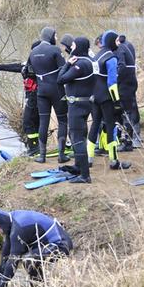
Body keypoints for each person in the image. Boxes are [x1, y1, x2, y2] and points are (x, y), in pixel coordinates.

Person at [0, 208, 73, 287]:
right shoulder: (10, 219)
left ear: (2, 224)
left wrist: (1, 285)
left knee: (29, 261)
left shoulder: (18, 228)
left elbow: (14, 259)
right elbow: (7, 249)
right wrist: (0, 271)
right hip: (50, 242)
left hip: (61, 245)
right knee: (30, 257)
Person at [87, 30, 131, 170]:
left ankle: (89, 159)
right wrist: (117, 102)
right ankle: (114, 161)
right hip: (106, 98)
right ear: (111, 40)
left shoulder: (97, 56)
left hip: (94, 96)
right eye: (117, 40)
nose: (118, 43)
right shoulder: (111, 57)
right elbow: (112, 83)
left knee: (95, 125)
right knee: (110, 126)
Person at [0, 39, 41, 156]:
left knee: (28, 122)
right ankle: (35, 146)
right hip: (32, 97)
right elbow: (17, 66)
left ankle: (34, 148)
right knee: (33, 123)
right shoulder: (29, 63)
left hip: (37, 97)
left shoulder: (40, 65)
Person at [28, 26, 69, 163]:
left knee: (43, 122)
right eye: (55, 36)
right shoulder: (55, 50)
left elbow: (29, 71)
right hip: (56, 90)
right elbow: (63, 71)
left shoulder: (33, 52)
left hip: (41, 91)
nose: (56, 39)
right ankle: (61, 155)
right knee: (63, 120)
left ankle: (42, 156)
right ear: (50, 36)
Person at [57, 37, 95, 183]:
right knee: (80, 136)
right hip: (86, 103)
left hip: (78, 106)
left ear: (78, 46)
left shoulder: (79, 64)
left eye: (73, 45)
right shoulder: (90, 61)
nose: (71, 48)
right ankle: (78, 166)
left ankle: (85, 175)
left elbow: (60, 79)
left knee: (77, 138)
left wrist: (67, 64)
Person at [115, 34, 141, 150]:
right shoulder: (126, 46)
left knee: (128, 111)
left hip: (126, 85)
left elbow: (122, 67)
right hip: (130, 83)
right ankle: (133, 138)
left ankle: (131, 140)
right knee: (130, 109)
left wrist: (114, 80)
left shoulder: (121, 49)